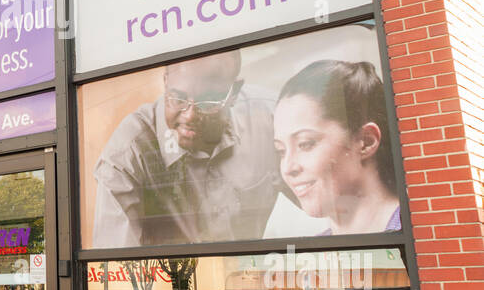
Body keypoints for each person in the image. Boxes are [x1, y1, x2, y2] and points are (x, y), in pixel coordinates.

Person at [92, 50, 279, 247]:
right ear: (165, 83)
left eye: (207, 102)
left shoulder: (272, 117)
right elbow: (115, 267)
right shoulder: (127, 153)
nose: (189, 116)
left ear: (234, 92)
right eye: (178, 99)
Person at [272, 59, 401, 235]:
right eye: (281, 151)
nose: (288, 168)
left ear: (366, 141)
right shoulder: (313, 254)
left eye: (305, 144)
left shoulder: (420, 233)